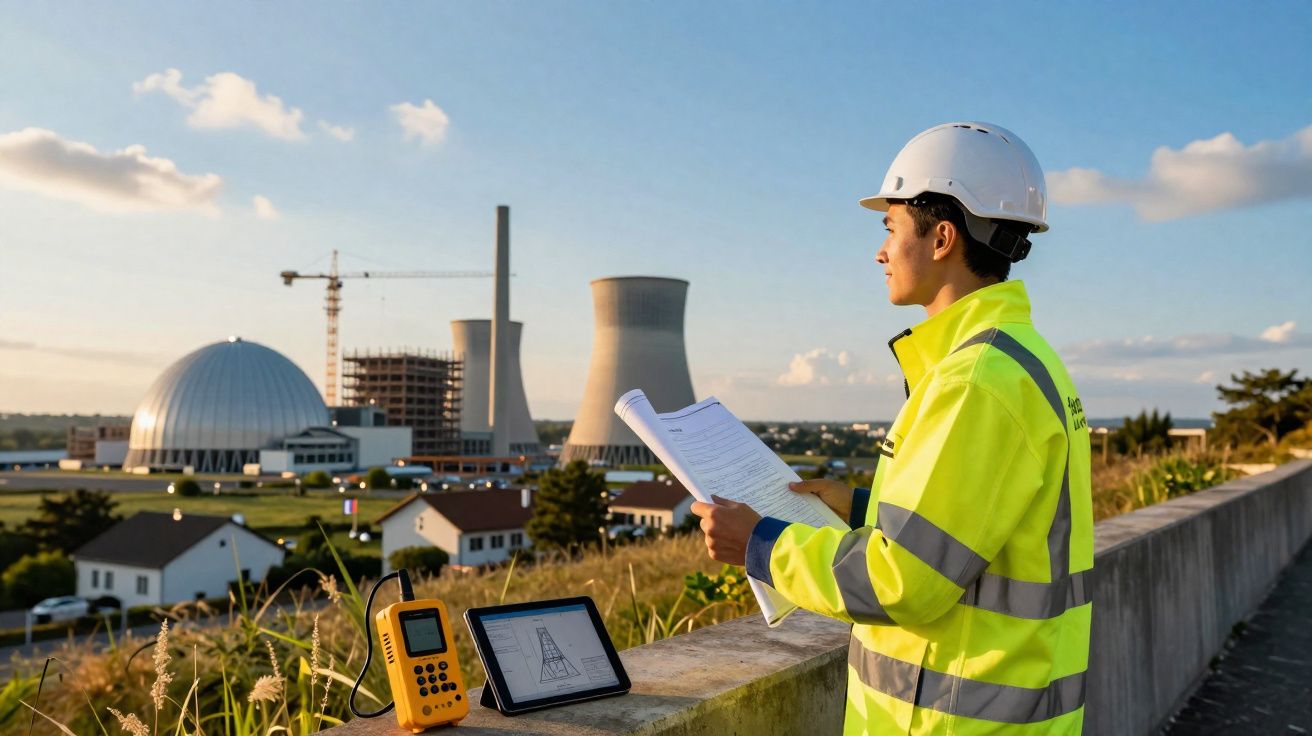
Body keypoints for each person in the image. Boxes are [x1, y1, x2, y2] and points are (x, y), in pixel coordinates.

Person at [691, 122, 1093, 735]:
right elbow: (976, 529)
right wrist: (860, 506)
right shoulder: (1018, 360)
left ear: (941, 238)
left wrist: (761, 543)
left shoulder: (973, 381)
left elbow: (903, 582)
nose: (880, 252)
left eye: (890, 228)